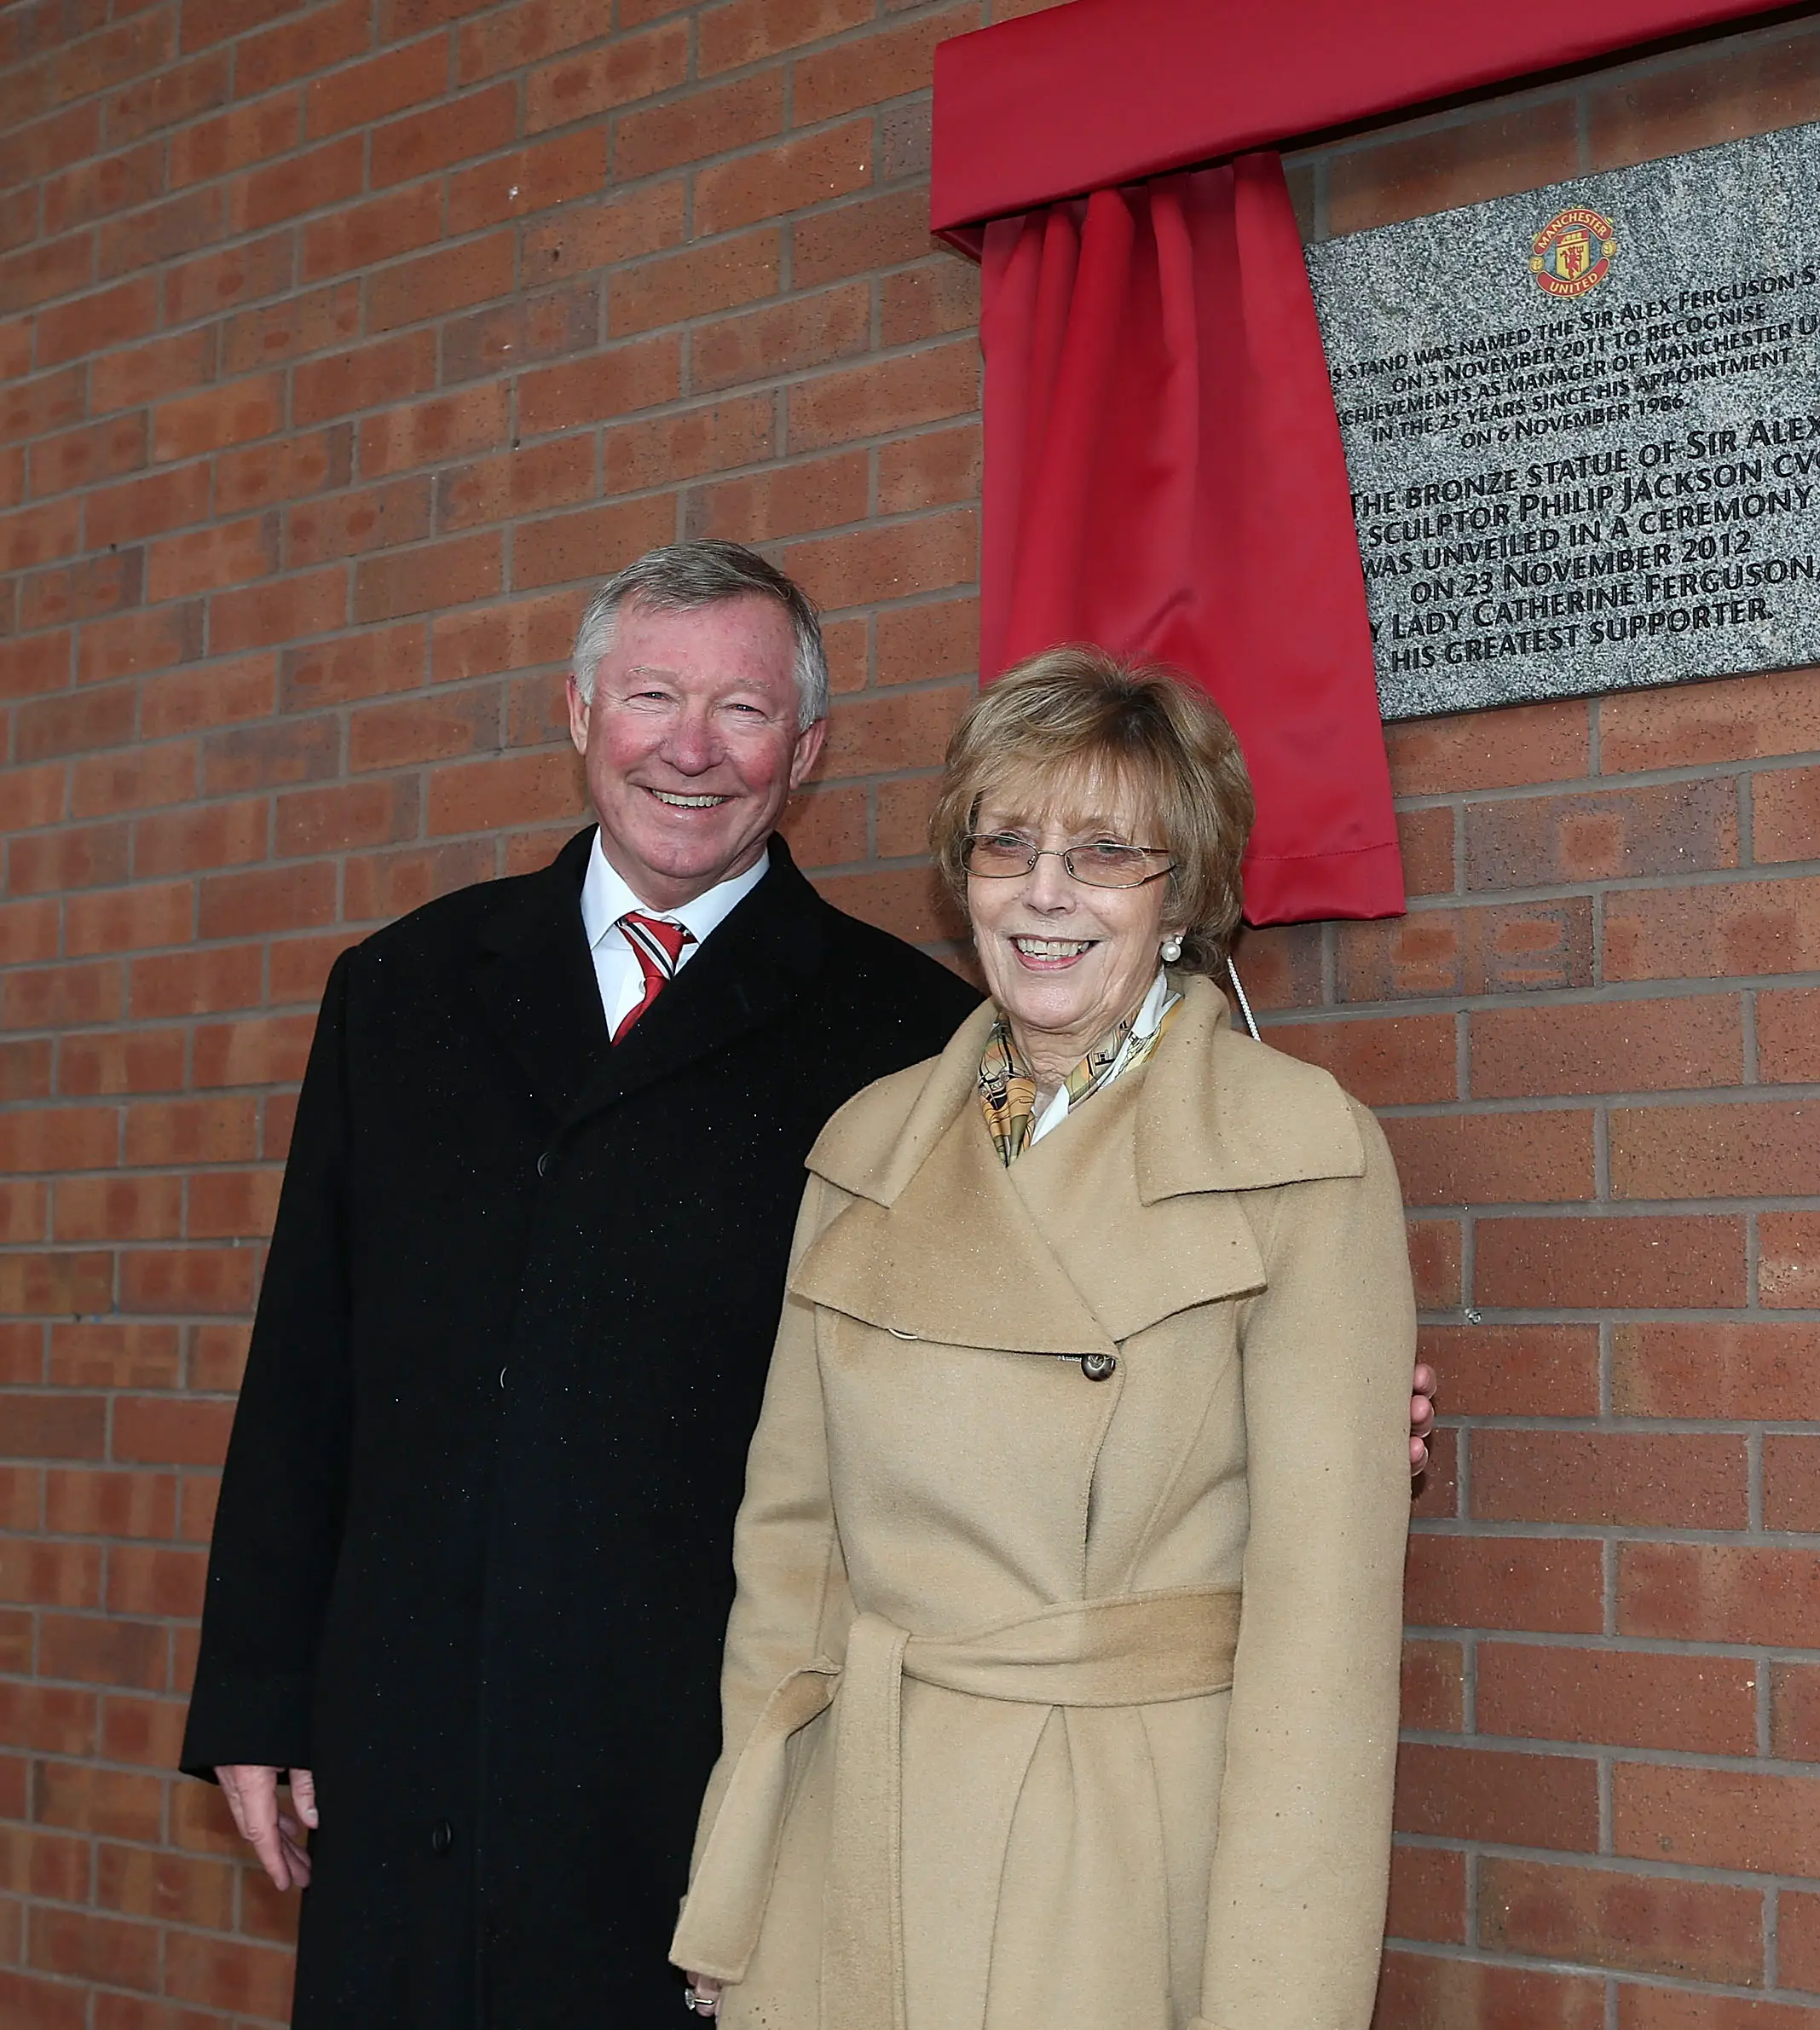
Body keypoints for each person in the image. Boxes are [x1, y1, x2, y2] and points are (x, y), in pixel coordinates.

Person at [180, 541, 1438, 2030]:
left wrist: (1328, 1416)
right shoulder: (406, 988)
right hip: (449, 1736)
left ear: (810, 750)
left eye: (745, 710)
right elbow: (309, 1359)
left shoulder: (891, 1027)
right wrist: (260, 1686)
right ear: (580, 711)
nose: (691, 748)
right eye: (652, 695)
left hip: (714, 1759)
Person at [673, 650, 1415, 2030]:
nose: (1047, 891)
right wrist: (745, 1861)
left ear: (1186, 895)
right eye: (1006, 844)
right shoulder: (867, 1146)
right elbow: (789, 1559)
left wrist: (1277, 1993)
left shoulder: (1298, 1154)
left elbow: (1325, 1637)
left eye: (1106, 852)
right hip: (864, 1833)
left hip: (1125, 1857)